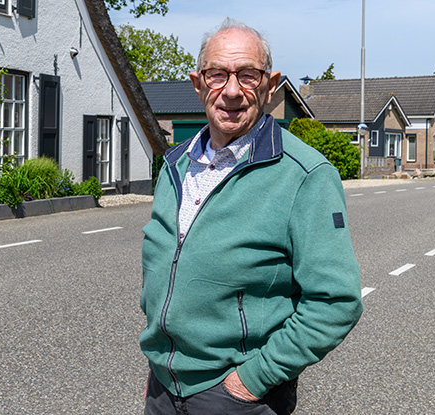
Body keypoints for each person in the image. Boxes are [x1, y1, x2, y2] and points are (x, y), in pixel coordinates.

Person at [139, 18, 363, 415]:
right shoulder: (174, 164)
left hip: (236, 396)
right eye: (217, 75)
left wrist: (251, 381)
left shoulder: (305, 175)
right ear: (197, 83)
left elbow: (336, 302)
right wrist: (161, 362)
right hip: (163, 387)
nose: (230, 91)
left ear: (270, 85)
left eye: (247, 75)